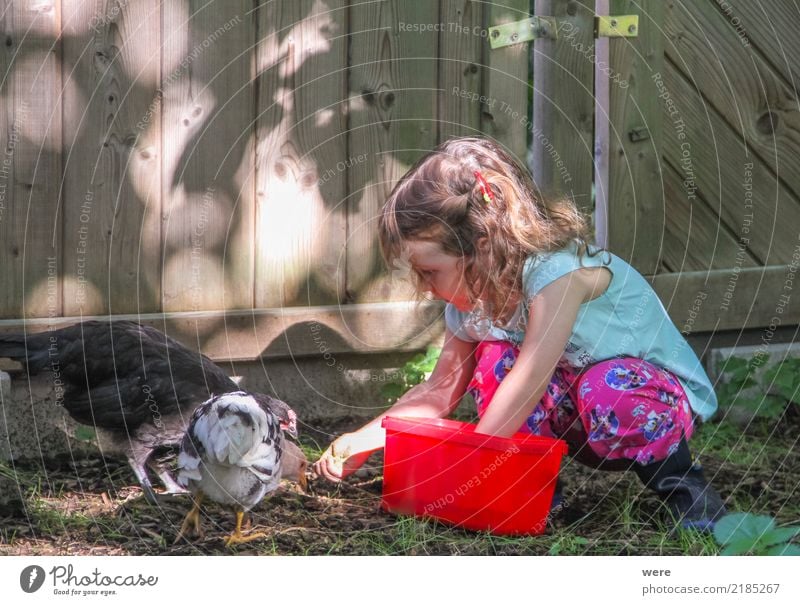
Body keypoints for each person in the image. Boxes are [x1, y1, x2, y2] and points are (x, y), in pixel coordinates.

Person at [312, 136, 727, 531]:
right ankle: (538, 491)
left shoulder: (556, 274)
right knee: (496, 359)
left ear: (483, 242)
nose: (423, 285)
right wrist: (364, 439)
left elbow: (532, 375)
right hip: (579, 414)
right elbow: (438, 393)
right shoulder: (475, 306)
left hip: (646, 404)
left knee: (604, 385)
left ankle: (686, 490)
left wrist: (474, 466)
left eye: (428, 271)